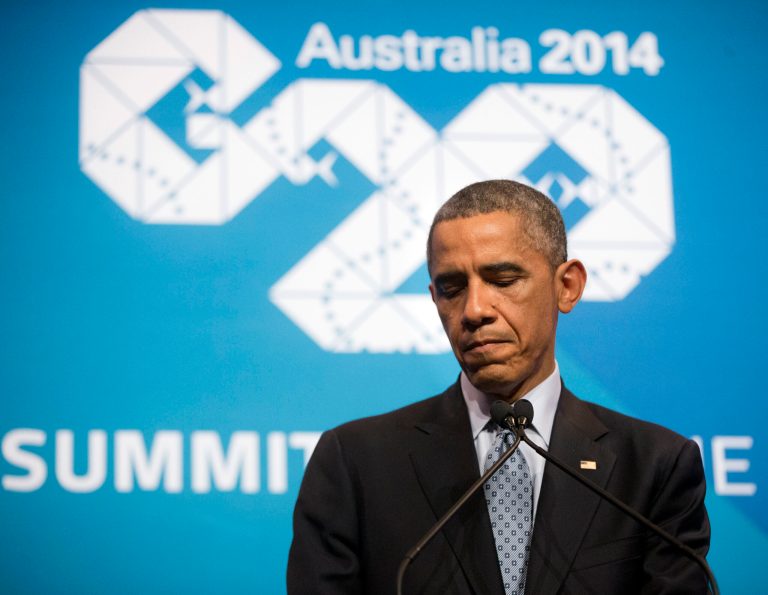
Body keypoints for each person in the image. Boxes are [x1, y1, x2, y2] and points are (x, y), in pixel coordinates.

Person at [287, 180, 710, 594]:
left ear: (567, 286)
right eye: (452, 289)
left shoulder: (655, 466)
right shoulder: (354, 463)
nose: (473, 310)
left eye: (503, 280)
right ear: (434, 298)